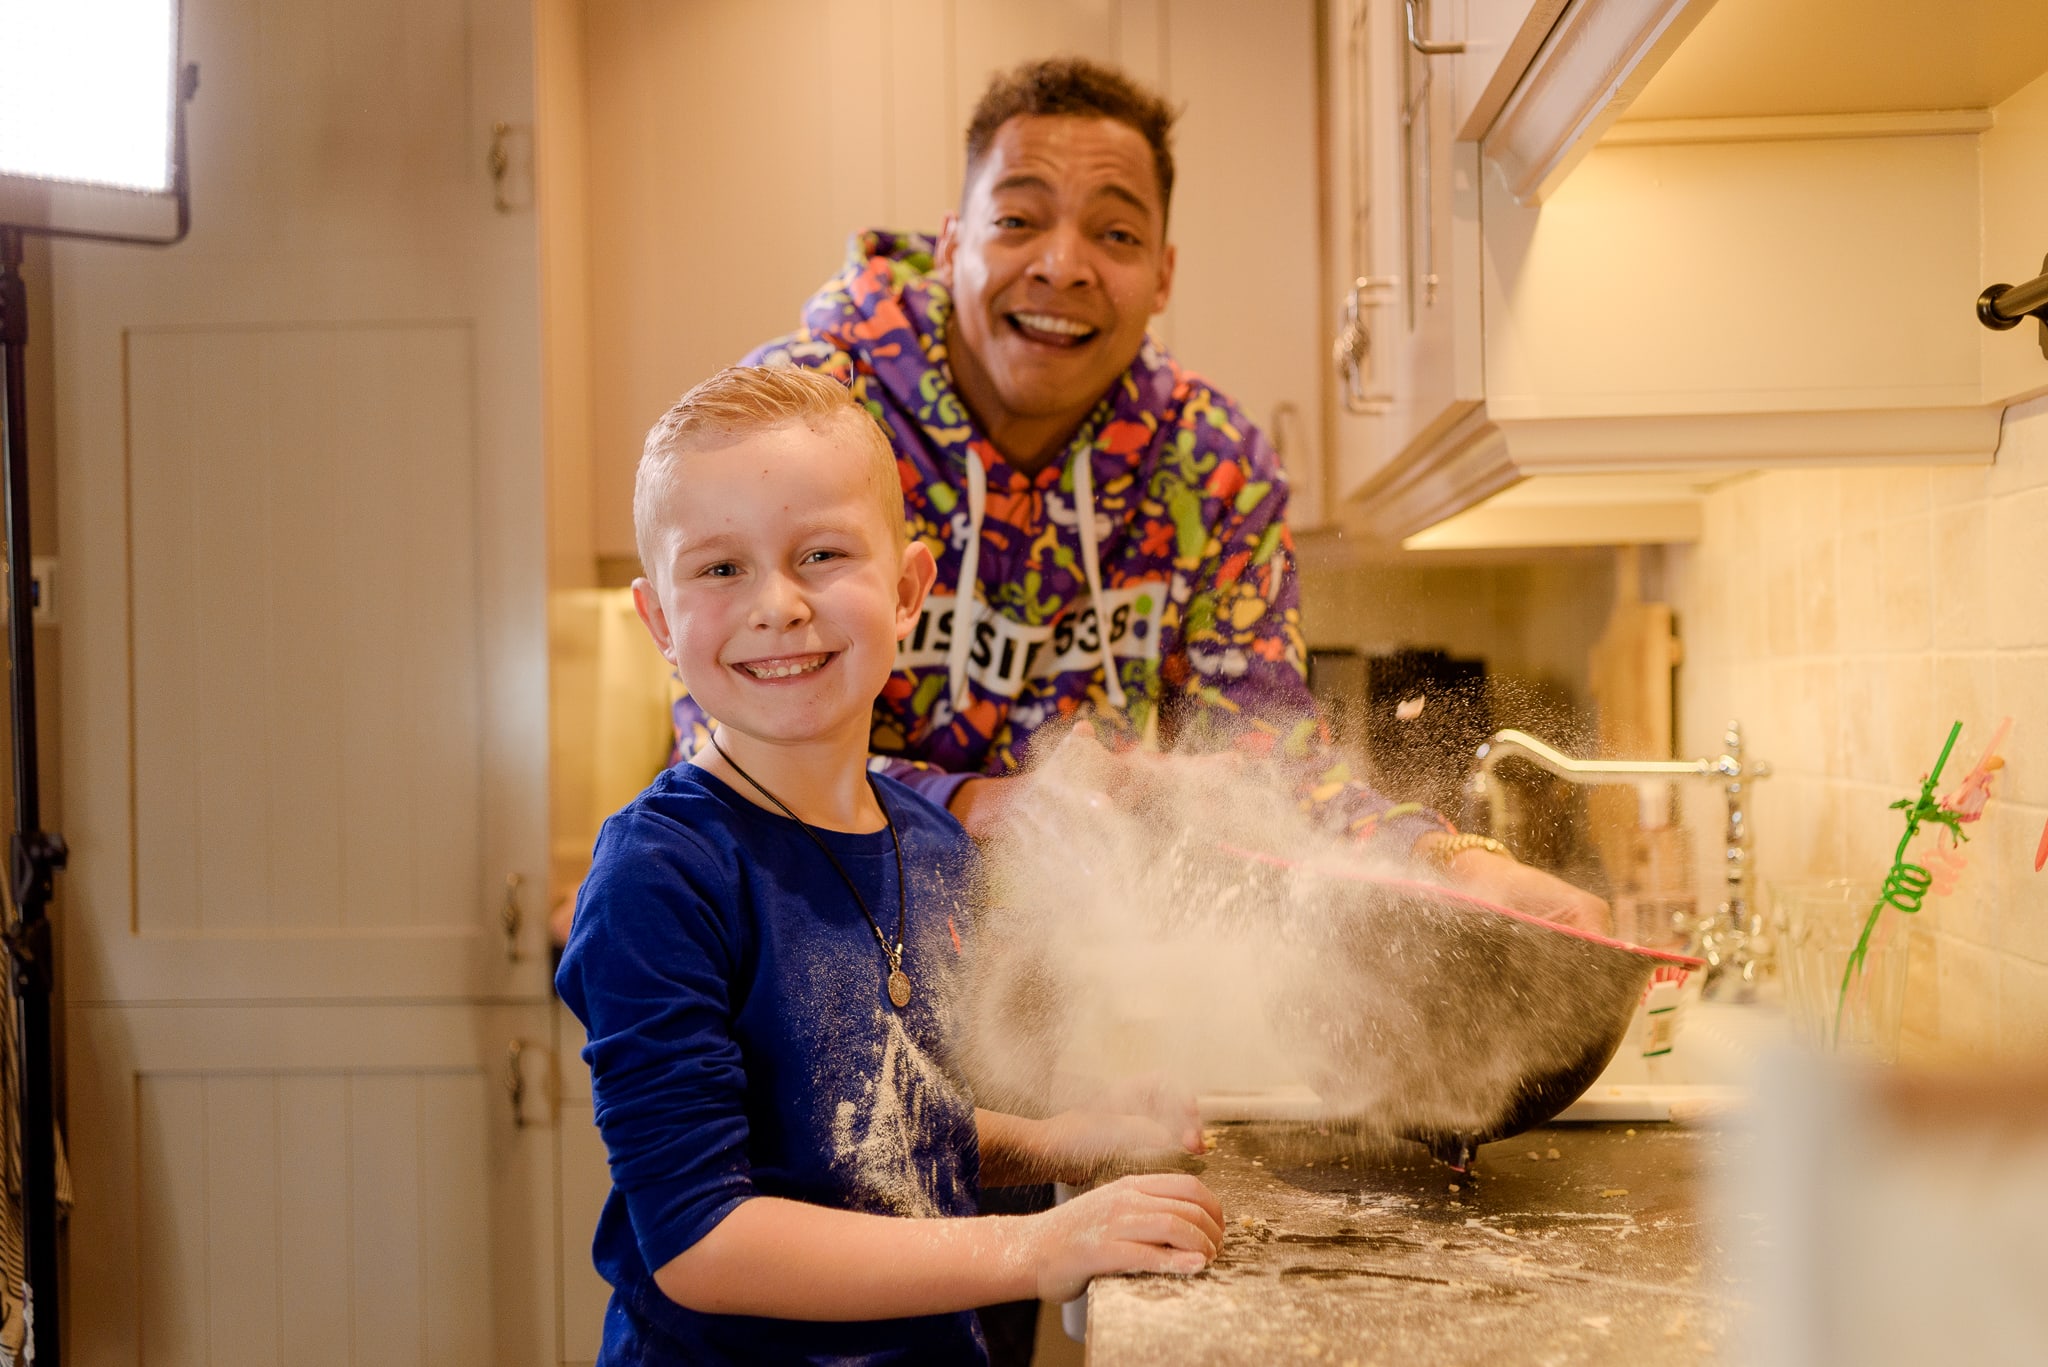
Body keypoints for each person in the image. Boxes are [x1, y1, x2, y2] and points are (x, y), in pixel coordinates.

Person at [698, 56, 1608, 931]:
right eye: (1018, 221)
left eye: (1116, 233)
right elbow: (736, 727)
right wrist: (975, 804)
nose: (1063, 264)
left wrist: (1461, 866)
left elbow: (1266, 774)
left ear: (1163, 274)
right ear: (952, 245)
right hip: (800, 953)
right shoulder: (804, 415)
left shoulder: (1212, 466)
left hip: (1082, 1002)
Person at [556, 366, 1223, 1366]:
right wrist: (1039, 1241)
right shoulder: (660, 874)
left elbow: (882, 1120)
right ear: (658, 622)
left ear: (908, 589)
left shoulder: (931, 843)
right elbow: (702, 1240)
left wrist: (1064, 1140)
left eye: (819, 553)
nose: (776, 604)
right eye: (720, 569)